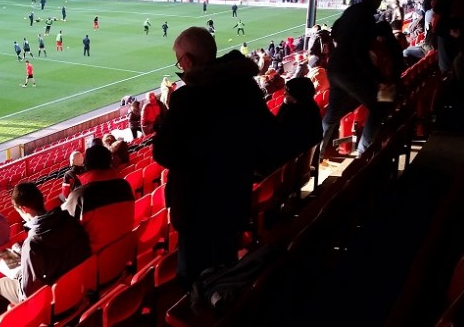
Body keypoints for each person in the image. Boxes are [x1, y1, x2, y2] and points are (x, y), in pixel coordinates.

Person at [153, 26, 278, 287]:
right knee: (226, 265)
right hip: (236, 193)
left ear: (187, 61)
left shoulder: (188, 98)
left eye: (179, 60)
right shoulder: (245, 87)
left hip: (198, 203)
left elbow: (164, 152)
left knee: (196, 277)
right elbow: (266, 136)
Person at [320, 0, 400, 160]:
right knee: (378, 106)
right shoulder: (366, 17)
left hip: (335, 67)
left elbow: (335, 31)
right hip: (349, 70)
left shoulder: (352, 11)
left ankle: (317, 154)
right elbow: (360, 53)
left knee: (332, 114)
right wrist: (378, 78)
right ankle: (365, 155)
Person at [0, 183, 91, 311]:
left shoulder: (32, 244)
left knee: (0, 285)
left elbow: (28, 295)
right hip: (78, 289)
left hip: (53, 305)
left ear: (23, 209)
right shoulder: (68, 219)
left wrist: (20, 274)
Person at [64, 144, 134, 252]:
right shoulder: (125, 186)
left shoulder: (80, 196)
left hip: (96, 261)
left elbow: (65, 231)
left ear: (86, 166)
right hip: (124, 252)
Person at [275, 77, 323, 162]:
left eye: (287, 93)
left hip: (290, 159)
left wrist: (285, 105)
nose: (284, 94)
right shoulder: (312, 106)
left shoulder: (292, 114)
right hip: (306, 158)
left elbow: (276, 127)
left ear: (296, 96)